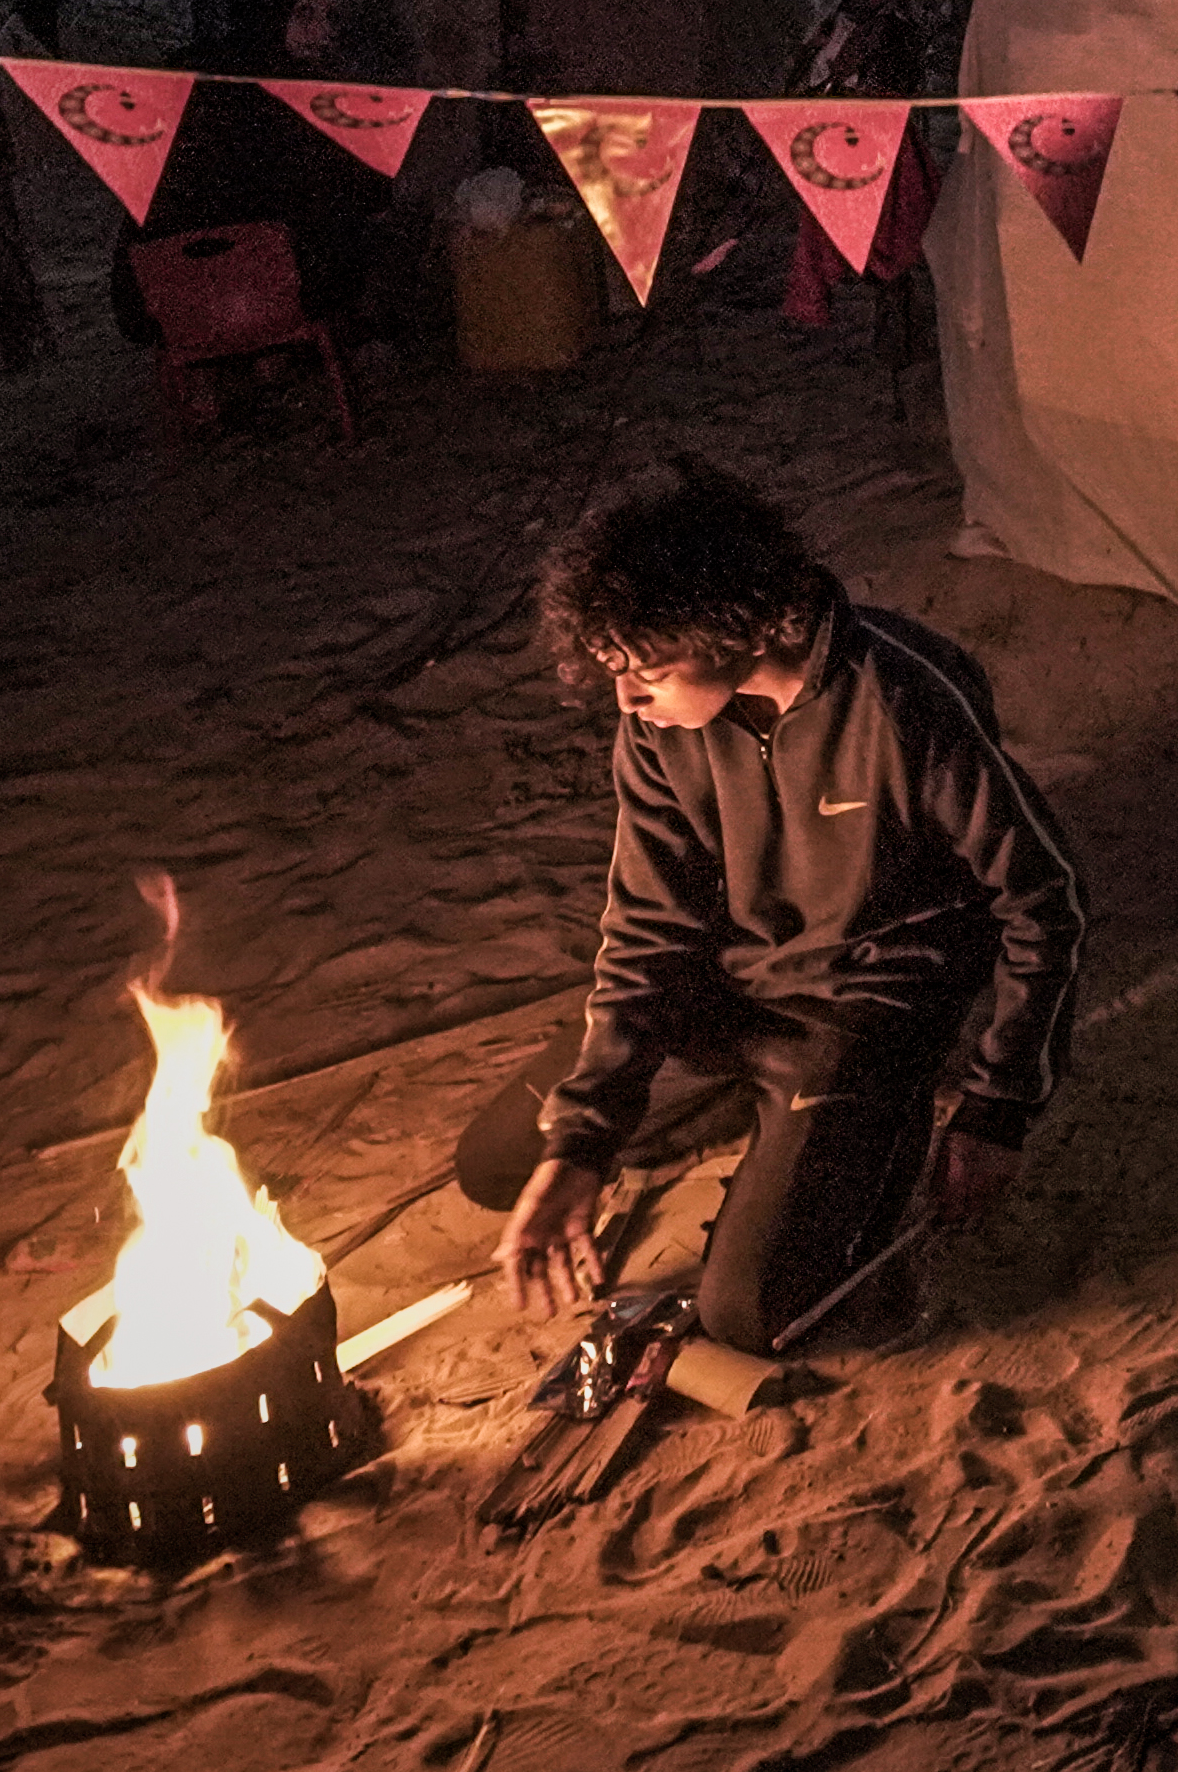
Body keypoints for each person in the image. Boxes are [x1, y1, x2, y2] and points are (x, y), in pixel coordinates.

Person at [459, 458, 1084, 1372]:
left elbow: (1044, 898)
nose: (628, 700)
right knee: (502, 1163)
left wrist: (999, 1109)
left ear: (732, 625)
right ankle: (758, 1112)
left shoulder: (903, 697)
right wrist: (584, 1141)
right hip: (731, 993)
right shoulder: (659, 727)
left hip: (860, 1009)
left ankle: (858, 1117)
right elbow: (648, 931)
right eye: (616, 672)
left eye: (648, 671)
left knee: (755, 1314)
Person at [109, 0, 406, 353]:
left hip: (158, 300)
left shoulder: (186, 67)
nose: (323, 31)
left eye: (332, 18)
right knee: (374, 228)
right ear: (270, 12)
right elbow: (370, 195)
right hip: (253, 294)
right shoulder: (302, 96)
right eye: (304, 14)